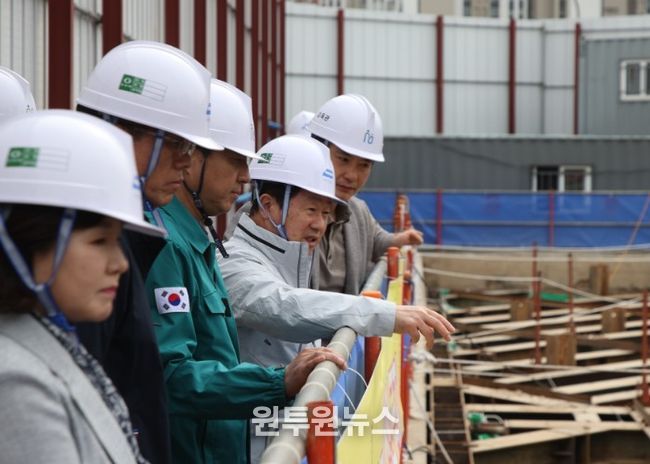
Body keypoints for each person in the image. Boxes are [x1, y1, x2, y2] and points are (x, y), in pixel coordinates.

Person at [145, 79, 347, 464]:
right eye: (236, 161)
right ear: (193, 158)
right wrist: (277, 383)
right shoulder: (169, 246)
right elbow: (171, 377)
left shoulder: (200, 242)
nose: (245, 177)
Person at [219, 134, 455, 462]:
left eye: (326, 213)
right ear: (269, 205)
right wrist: (385, 314)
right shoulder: (235, 262)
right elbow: (283, 306)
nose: (320, 224)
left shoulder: (289, 258)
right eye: (311, 210)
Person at [75, 40, 223, 464]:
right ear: (118, 133)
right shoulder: (76, 252)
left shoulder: (134, 238)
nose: (186, 162)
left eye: (191, 148)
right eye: (176, 144)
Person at [0, 110, 164, 463]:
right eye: (100, 241)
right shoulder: (14, 382)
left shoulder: (54, 343)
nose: (120, 264)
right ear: (27, 241)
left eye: (118, 241)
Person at [307, 94, 423, 294]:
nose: (352, 175)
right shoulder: (285, 213)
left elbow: (375, 241)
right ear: (317, 149)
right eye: (343, 159)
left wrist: (399, 240)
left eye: (364, 165)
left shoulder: (357, 210)